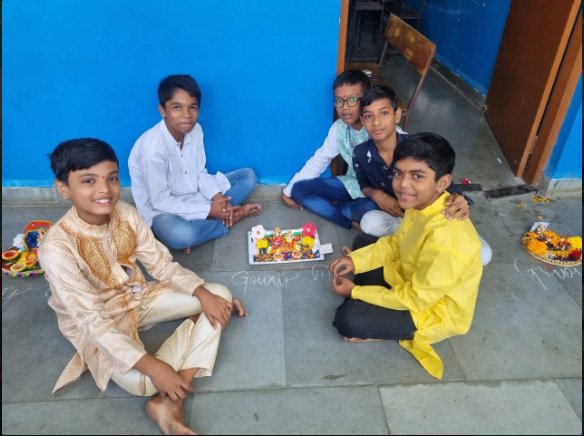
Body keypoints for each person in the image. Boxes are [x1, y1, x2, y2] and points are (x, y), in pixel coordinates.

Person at [38, 138, 247, 435]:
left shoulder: (125, 212)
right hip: (98, 322)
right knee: (146, 382)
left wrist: (202, 295)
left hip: (136, 296)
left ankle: (169, 400)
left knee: (217, 295)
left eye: (112, 178)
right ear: (63, 188)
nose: (104, 189)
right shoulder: (56, 248)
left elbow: (161, 265)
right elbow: (92, 321)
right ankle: (174, 371)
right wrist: (153, 367)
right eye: (88, 181)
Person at [329, 132, 483, 380]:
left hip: (429, 308)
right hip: (408, 276)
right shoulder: (422, 203)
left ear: (442, 183)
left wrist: (355, 292)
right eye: (399, 173)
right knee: (363, 243)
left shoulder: (445, 239)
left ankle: (380, 322)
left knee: (347, 320)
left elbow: (416, 299)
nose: (403, 185)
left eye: (417, 176)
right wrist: (354, 260)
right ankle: (374, 304)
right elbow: (396, 244)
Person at [281, 70, 468, 230]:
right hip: (356, 185)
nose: (345, 107)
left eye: (352, 99)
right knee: (300, 189)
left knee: (365, 210)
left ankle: (352, 212)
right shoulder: (339, 128)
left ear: (366, 100)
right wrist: (288, 191)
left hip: (392, 194)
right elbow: (321, 158)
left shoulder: (386, 132)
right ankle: (349, 220)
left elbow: (431, 169)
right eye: (339, 101)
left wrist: (457, 196)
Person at [352, 85, 491, 264]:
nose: (376, 122)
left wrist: (458, 197)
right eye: (369, 116)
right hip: (400, 217)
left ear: (397, 115)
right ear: (362, 121)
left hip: (429, 216)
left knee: (483, 254)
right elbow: (364, 185)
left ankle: (421, 243)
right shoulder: (361, 153)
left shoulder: (419, 147)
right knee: (368, 221)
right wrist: (376, 194)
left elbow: (443, 181)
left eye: (384, 113)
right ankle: (417, 244)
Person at [129, 74, 261, 254]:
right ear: (163, 110)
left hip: (196, 194)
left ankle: (215, 218)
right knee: (180, 235)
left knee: (248, 176)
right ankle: (232, 217)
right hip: (164, 210)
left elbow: (200, 173)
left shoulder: (196, 130)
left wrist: (217, 198)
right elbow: (160, 201)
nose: (186, 115)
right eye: (177, 107)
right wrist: (210, 210)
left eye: (192, 107)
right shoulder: (152, 151)